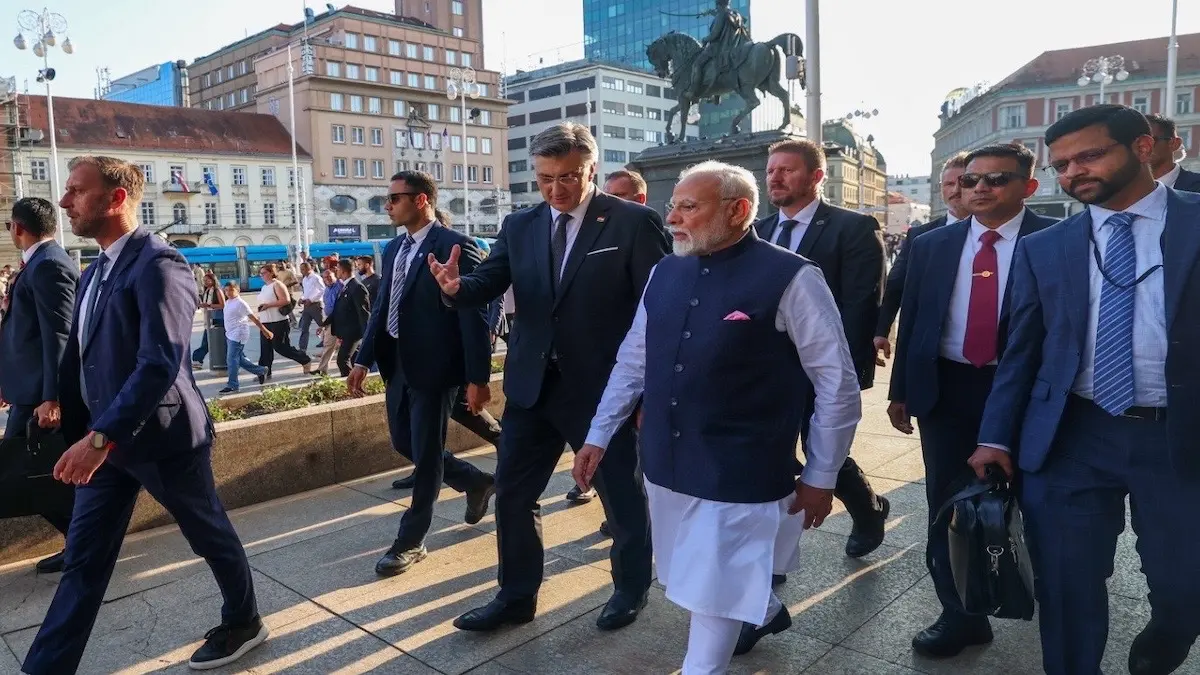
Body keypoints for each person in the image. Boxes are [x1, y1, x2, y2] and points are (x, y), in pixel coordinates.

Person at [574, 160, 860, 672]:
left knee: (711, 590)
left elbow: (836, 383)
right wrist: (599, 433)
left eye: (689, 206)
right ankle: (764, 607)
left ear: (738, 210)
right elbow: (633, 360)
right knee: (686, 572)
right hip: (665, 459)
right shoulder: (665, 271)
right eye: (673, 206)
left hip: (742, 466)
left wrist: (822, 474)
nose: (673, 218)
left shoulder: (793, 278)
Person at [972, 105, 1200, 675]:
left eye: (1089, 155)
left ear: (1144, 148)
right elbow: (1021, 351)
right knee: (1067, 586)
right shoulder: (1047, 246)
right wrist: (995, 435)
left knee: (1186, 583)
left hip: (1181, 435)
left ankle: (1169, 634)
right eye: (1062, 165)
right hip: (1073, 433)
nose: (1073, 173)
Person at [22, 156, 266, 674]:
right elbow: (81, 351)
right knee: (83, 562)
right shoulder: (95, 268)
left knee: (208, 534)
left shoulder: (160, 264)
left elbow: (160, 362)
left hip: (162, 438)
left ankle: (244, 620)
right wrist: (59, 402)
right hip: (103, 443)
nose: (65, 202)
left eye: (76, 191)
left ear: (115, 199)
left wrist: (98, 439)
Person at [429, 122, 669, 632]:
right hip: (532, 389)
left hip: (605, 393)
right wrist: (454, 287)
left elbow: (661, 312)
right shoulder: (521, 225)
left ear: (592, 169)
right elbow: (488, 282)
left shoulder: (632, 223)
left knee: (621, 497)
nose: (556, 189)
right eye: (544, 179)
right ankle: (516, 597)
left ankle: (630, 588)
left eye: (568, 177)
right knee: (514, 495)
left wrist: (651, 392)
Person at [887, 143, 1056, 658]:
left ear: (1029, 186)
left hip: (1033, 391)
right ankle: (960, 612)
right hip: (948, 389)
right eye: (972, 180)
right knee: (948, 503)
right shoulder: (933, 244)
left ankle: (1047, 593)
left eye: (997, 179)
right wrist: (901, 392)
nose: (979, 189)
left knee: (1038, 500)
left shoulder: (1057, 239)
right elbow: (913, 320)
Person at [347, 170, 497, 576]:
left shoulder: (456, 246)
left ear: (421, 200)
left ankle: (410, 541)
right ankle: (474, 480)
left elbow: (474, 312)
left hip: (437, 366)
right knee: (404, 442)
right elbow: (383, 308)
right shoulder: (394, 247)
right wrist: (364, 358)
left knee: (427, 454)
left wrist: (477, 377)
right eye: (387, 198)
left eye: (394, 198)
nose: (387, 205)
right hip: (397, 363)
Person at [753, 139, 889, 559]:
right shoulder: (757, 229)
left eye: (787, 170)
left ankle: (867, 511)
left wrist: (834, 371)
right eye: (771, 169)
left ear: (816, 176)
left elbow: (859, 305)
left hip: (821, 366)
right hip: (766, 369)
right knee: (771, 448)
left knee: (821, 448)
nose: (775, 177)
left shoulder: (853, 228)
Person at [0, 197, 79, 574]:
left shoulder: (49, 266)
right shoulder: (41, 263)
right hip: (28, 391)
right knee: (40, 473)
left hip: (40, 397)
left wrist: (52, 397)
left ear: (18, 227)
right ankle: (80, 543)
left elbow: (58, 337)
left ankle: (84, 543)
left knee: (31, 473)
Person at [875, 152, 971, 357]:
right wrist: (881, 331)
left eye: (964, 182)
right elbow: (896, 285)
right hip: (930, 349)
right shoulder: (920, 236)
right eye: (948, 184)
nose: (956, 190)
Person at [255, 263, 312, 378]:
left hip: (278, 321)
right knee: (265, 348)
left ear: (271, 273)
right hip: (266, 321)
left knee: (281, 347)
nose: (262, 276)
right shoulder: (264, 287)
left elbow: (285, 300)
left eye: (264, 273)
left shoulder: (277, 285)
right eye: (260, 274)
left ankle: (305, 360)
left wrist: (269, 305)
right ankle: (264, 372)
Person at [219, 283, 271, 394]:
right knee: (240, 359)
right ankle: (261, 370)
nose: (228, 292)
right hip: (230, 334)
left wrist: (264, 330)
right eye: (226, 290)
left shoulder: (240, 303)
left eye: (231, 290)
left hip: (238, 334)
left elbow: (253, 317)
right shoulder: (228, 302)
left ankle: (233, 385)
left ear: (237, 290)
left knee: (231, 359)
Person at [325, 259, 369, 377]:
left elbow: (363, 313)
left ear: (343, 271)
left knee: (342, 361)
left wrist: (367, 334)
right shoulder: (345, 286)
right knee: (356, 361)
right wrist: (324, 324)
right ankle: (358, 383)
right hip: (345, 331)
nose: (336, 271)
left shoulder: (356, 287)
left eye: (337, 269)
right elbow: (338, 309)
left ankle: (352, 385)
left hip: (353, 332)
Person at [1145, 113, 1200, 192]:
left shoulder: (1196, 187)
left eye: (1149, 141)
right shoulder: (1124, 190)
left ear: (1174, 144)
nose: (1141, 148)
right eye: (1133, 142)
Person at [192, 271, 226, 368]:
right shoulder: (207, 291)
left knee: (208, 341)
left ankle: (197, 359)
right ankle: (197, 359)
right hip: (208, 319)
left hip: (217, 319)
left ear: (213, 280)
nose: (205, 282)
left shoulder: (217, 291)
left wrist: (209, 305)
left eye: (207, 280)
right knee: (209, 341)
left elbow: (223, 305)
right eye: (204, 280)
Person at [314, 268, 343, 377]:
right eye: (325, 277)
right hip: (330, 320)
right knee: (328, 344)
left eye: (329, 276)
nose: (327, 279)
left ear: (334, 275)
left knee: (349, 347)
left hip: (339, 320)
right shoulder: (327, 289)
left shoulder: (340, 286)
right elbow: (327, 306)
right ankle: (322, 369)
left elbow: (339, 307)